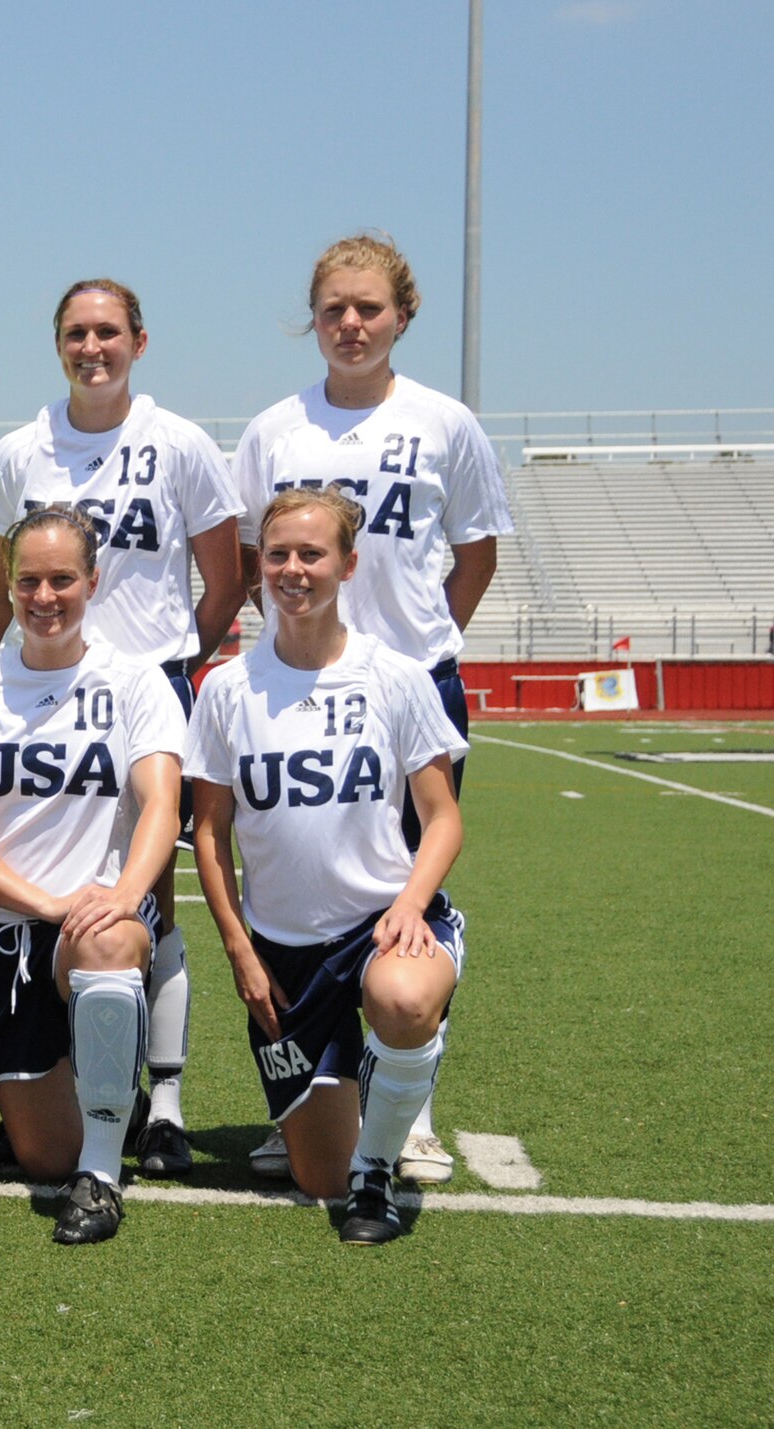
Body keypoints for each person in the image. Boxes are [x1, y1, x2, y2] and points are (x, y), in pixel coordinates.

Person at [233, 234, 511, 1187]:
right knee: (301, 881)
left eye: (369, 308)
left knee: (405, 896)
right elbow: (249, 555)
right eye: (333, 308)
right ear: (310, 319)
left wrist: (416, 647)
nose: (351, 324)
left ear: (403, 315)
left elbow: (473, 553)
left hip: (406, 685)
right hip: (297, 686)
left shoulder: (446, 422)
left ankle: (413, 1104)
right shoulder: (273, 429)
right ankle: (309, 1096)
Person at [0, 277, 244, 1178]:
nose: (94, 348)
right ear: (58, 346)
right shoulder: (19, 450)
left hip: (146, 686)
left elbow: (223, 575)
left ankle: (162, 1099)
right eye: (77, 334)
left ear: (140, 340)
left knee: (147, 900)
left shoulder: (181, 443)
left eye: (109, 332)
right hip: (42, 682)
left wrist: (169, 664)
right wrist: (39, 653)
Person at [187, 487, 468, 1245]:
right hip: (282, 950)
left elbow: (442, 817)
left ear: (348, 562)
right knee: (316, 1175)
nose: (293, 568)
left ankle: (378, 1172)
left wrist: (412, 903)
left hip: (381, 925)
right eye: (278, 554)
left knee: (404, 1001)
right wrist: (240, 947)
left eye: (311, 553)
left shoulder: (395, 675)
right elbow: (209, 832)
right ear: (259, 569)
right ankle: (359, 1119)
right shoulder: (225, 689)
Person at [0, 509, 185, 1242]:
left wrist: (122, 897)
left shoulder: (136, 683)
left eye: (62, 579)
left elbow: (161, 809)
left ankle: (103, 1176)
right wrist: (45, 901)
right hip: (2, 932)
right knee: (44, 1154)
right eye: (28, 581)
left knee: (109, 941)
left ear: (93, 582)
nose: (45, 596)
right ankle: (108, 1107)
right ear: (8, 589)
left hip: (90, 922)